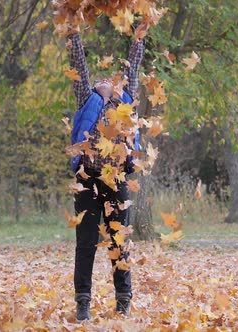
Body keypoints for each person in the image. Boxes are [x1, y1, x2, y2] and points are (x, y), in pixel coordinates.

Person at [66, 26, 145, 321]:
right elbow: (79, 64)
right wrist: (73, 33)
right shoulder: (88, 99)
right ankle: (83, 302)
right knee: (85, 242)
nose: (105, 84)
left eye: (110, 81)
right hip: (87, 180)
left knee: (118, 242)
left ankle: (123, 300)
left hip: (116, 181)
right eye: (101, 82)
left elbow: (135, 64)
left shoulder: (126, 102)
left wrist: (140, 35)